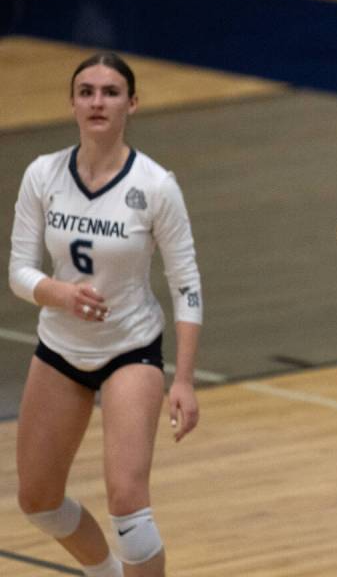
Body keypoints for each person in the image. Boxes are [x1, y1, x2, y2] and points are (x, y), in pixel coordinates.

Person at [9, 52, 203, 577]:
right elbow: (19, 271)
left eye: (111, 92)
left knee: (128, 508)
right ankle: (104, 574)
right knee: (39, 501)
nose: (98, 101)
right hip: (60, 347)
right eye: (87, 91)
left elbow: (186, 285)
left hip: (130, 350)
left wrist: (182, 379)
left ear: (131, 103)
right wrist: (58, 293)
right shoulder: (43, 174)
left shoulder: (156, 185)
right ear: (72, 102)